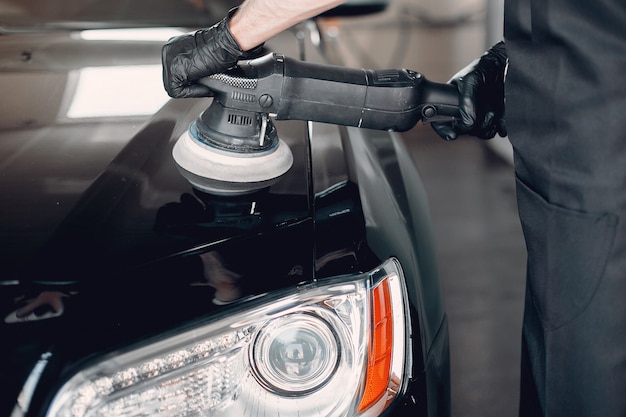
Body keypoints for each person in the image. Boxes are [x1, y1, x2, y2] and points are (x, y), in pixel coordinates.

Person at [162, 1, 626, 416]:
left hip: (606, 182)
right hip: (577, 180)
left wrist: (229, 37)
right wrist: (518, 60)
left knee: (586, 381)